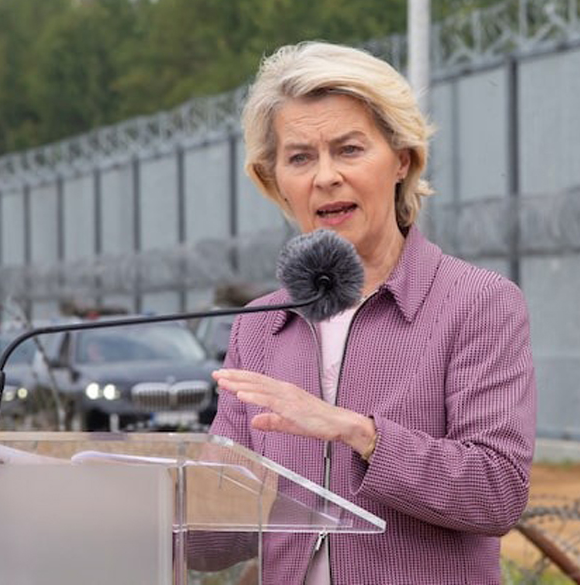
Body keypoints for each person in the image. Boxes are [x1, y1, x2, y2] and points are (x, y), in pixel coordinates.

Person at [195, 41, 536, 584]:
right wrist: (137, 501)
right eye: (300, 157)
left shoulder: (477, 303)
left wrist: (359, 434)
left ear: (402, 159)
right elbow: (220, 538)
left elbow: (496, 493)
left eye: (349, 149)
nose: (325, 176)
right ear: (274, 180)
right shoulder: (261, 323)